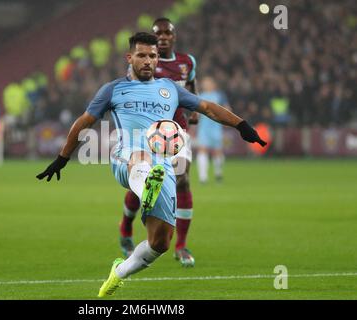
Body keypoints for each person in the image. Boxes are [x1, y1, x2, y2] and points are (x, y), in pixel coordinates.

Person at [36, 32, 266, 297]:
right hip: (127, 155)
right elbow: (84, 122)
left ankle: (119, 272)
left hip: (164, 165)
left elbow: (207, 107)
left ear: (158, 58)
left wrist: (241, 125)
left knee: (160, 242)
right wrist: (63, 158)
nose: (148, 61)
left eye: (153, 56)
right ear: (130, 57)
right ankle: (147, 187)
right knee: (141, 159)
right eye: (142, 55)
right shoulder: (113, 89)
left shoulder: (170, 88)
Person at [119, 17, 200, 267]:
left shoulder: (187, 62)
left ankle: (181, 246)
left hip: (177, 132)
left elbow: (191, 87)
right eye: (159, 33)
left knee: (183, 180)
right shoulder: (144, 63)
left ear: (174, 36)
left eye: (168, 33)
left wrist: (194, 108)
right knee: (142, 185)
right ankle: (126, 227)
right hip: (149, 133)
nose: (164, 36)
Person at [197, 76, 230, 183]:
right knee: (202, 150)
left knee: (217, 152)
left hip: (216, 127)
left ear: (213, 85)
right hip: (204, 128)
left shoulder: (219, 95)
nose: (206, 85)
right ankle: (203, 177)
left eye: (208, 82)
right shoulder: (200, 96)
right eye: (204, 83)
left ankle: (218, 173)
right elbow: (196, 112)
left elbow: (227, 109)